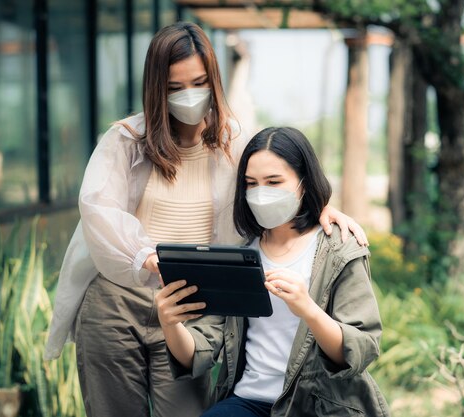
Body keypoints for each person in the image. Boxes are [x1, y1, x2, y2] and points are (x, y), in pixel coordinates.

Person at [44, 23, 367, 417]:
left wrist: (320, 208)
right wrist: (147, 257)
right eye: (174, 87)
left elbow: (274, 175)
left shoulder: (235, 142)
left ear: (213, 79)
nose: (189, 96)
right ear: (155, 88)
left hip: (193, 304)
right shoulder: (127, 140)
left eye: (198, 82)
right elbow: (97, 210)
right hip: (118, 300)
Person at [156, 127, 389, 417]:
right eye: (251, 183)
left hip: (318, 405)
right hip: (248, 401)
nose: (260, 194)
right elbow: (200, 351)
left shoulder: (339, 250)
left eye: (274, 182)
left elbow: (361, 348)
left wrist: (308, 309)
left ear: (304, 182)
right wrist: (170, 323)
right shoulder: (241, 256)